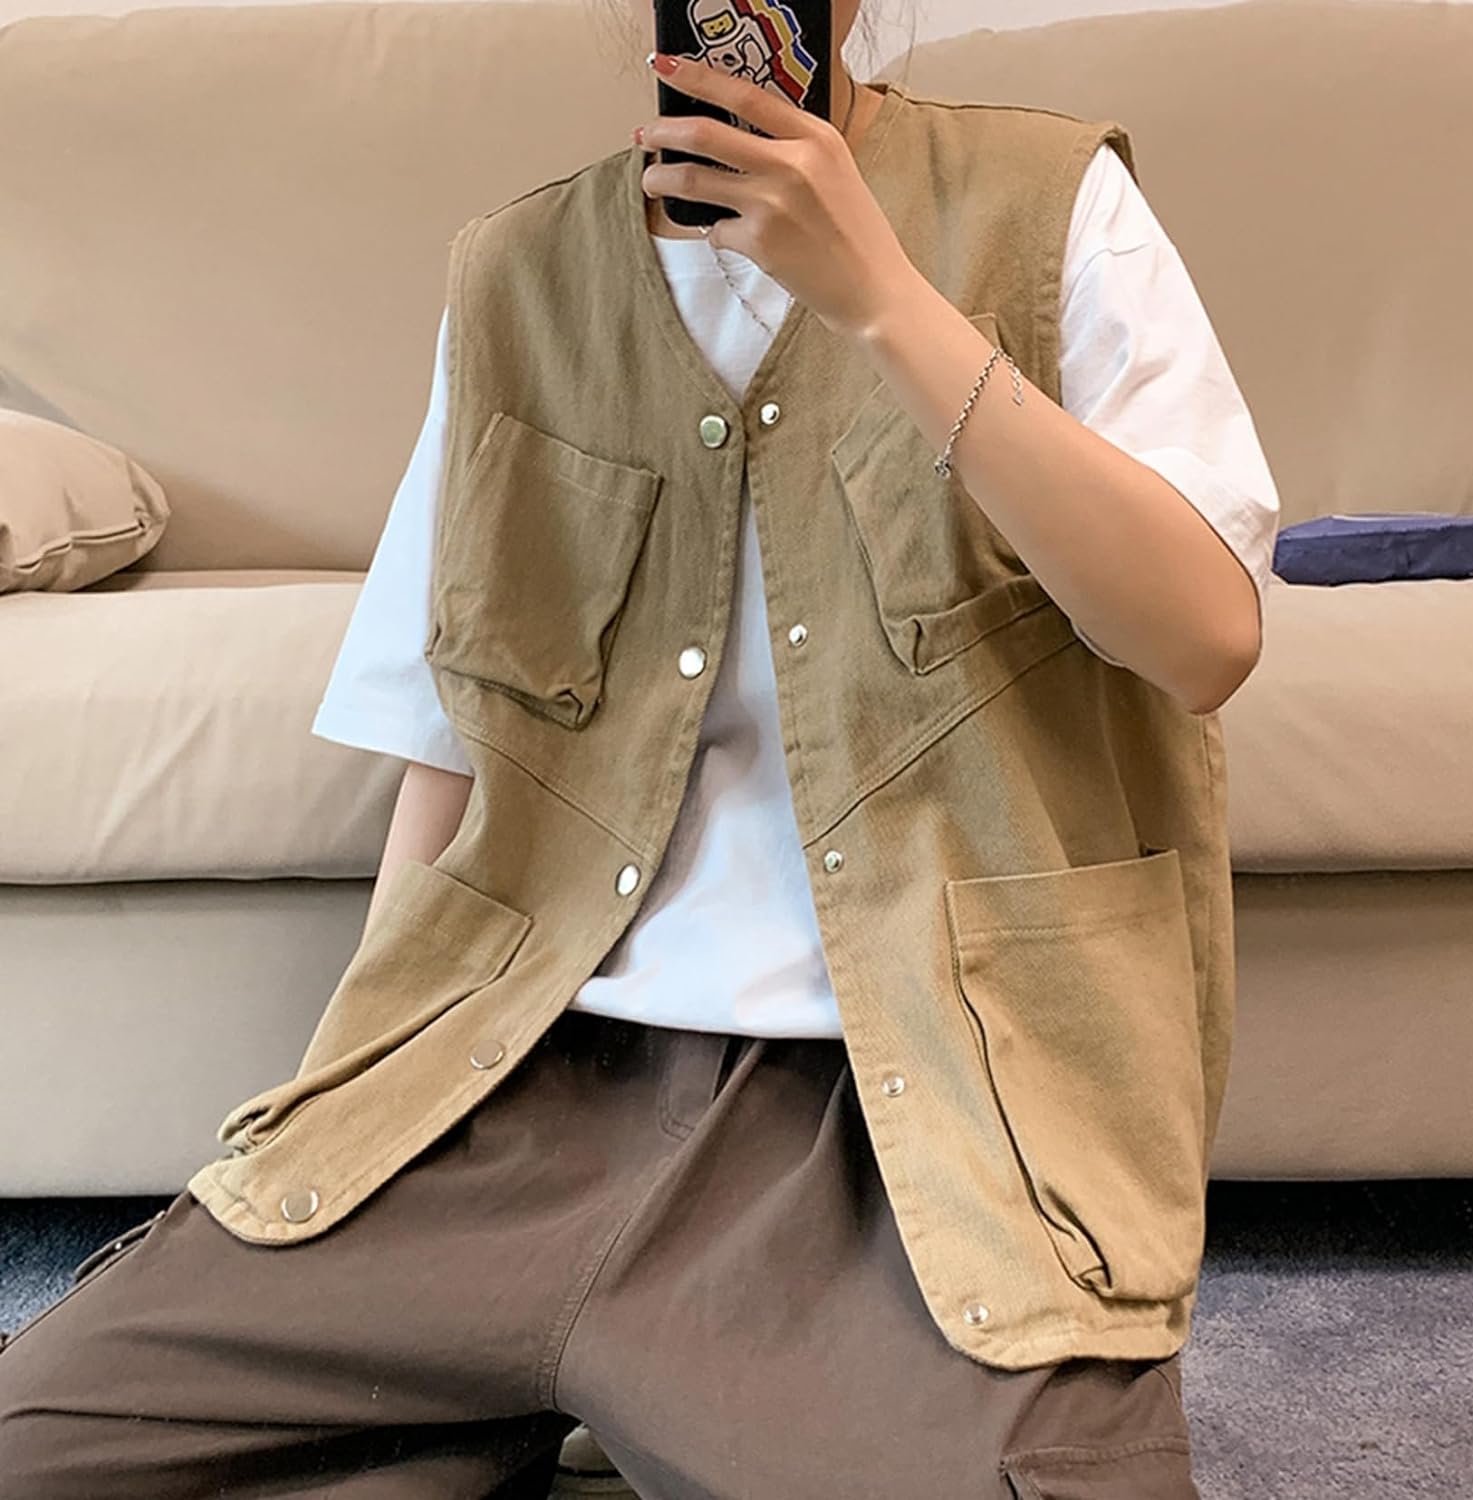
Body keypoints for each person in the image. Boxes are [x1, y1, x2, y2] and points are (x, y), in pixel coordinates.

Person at [0, 2, 1280, 1495]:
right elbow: (447, 747)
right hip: (518, 1078)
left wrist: (881, 298)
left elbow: (1205, 639)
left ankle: (597, 1409)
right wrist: (349, 1109)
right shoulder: (519, 275)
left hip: (915, 1120)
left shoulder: (1055, 210)